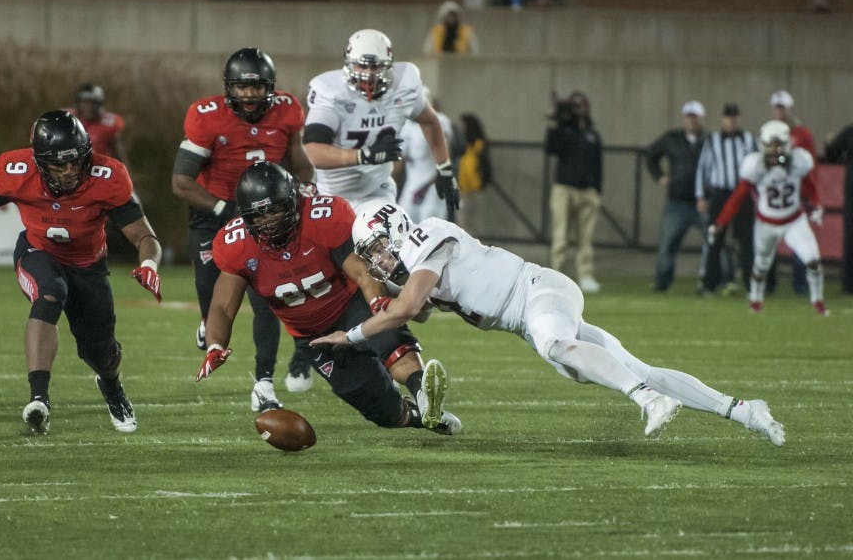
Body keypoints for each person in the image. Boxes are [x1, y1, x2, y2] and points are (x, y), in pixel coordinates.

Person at [310, 199, 785, 446]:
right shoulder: (416, 262)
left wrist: (350, 335)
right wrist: (390, 294)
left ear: (391, 230)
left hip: (538, 291)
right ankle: (743, 409)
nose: (375, 261)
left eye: (374, 249)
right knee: (628, 364)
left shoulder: (425, 235)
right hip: (530, 309)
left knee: (556, 347)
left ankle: (647, 399)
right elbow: (427, 306)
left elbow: (410, 309)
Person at [0, 110, 164, 433]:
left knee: (103, 355)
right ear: (40, 162)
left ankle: (112, 387)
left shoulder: (107, 176)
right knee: (50, 292)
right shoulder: (16, 170)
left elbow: (144, 235)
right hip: (38, 252)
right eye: (59, 164)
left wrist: (149, 262)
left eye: (75, 162)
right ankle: (39, 398)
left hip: (89, 267)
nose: (69, 171)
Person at [195, 162, 460, 435]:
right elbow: (223, 306)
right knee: (385, 412)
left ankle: (423, 393)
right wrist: (215, 344)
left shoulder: (322, 217)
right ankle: (419, 416)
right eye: (260, 215)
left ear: (292, 200)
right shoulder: (236, 244)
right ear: (246, 217)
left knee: (390, 342)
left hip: (350, 305)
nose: (270, 220)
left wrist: (377, 305)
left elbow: (361, 272)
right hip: (312, 337)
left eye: (275, 209)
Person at [172, 48, 317, 409]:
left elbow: (300, 164)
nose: (249, 96)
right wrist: (224, 207)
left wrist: (300, 191)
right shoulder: (207, 117)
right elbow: (181, 182)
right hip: (214, 212)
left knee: (264, 297)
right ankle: (209, 324)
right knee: (211, 292)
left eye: (256, 88)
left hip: (265, 214)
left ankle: (263, 382)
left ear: (270, 87)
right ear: (228, 88)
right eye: (241, 87)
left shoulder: (287, 110)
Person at [303, 29, 460, 217]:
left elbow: (430, 121)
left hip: (376, 191)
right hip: (331, 193)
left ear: (389, 65)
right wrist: (364, 155)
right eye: (362, 66)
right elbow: (314, 152)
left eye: (376, 66)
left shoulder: (403, 86)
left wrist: (444, 168)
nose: (369, 74)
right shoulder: (331, 92)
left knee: (385, 239)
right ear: (349, 63)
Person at [709, 120, 828, 316]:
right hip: (766, 223)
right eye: (770, 146)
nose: (774, 151)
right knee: (761, 266)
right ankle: (756, 301)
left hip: (793, 220)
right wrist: (720, 222)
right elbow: (736, 199)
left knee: (813, 261)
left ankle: (818, 302)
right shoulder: (754, 166)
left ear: (787, 144)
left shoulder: (799, 161)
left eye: (778, 145)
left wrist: (816, 207)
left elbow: (811, 188)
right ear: (762, 145)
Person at [695, 102, 757, 295]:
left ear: (738, 119)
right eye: (728, 117)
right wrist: (700, 195)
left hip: (743, 194)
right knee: (714, 239)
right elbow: (703, 168)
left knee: (746, 242)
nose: (731, 121)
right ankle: (709, 284)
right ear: (722, 119)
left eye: (734, 117)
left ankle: (751, 285)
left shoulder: (748, 139)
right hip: (720, 194)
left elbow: (757, 166)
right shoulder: (712, 140)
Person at [646, 100, 708, 292]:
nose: (691, 121)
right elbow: (651, 155)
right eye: (688, 117)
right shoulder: (672, 138)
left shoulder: (709, 140)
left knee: (715, 243)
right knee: (668, 244)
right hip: (677, 201)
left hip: (702, 202)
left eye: (695, 117)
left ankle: (715, 281)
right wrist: (660, 177)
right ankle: (662, 282)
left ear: (701, 119)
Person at [545, 91, 603, 293]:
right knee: (561, 235)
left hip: (587, 190)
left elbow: (598, 165)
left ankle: (586, 275)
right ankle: (558, 274)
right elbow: (551, 148)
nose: (578, 109)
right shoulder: (563, 130)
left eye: (581, 105)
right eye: (574, 105)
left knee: (585, 238)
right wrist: (554, 119)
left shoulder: (592, 134)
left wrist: (597, 190)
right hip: (564, 188)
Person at [766, 90, 815, 296]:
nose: (779, 111)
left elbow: (809, 164)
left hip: (796, 194)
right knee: (768, 240)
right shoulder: (769, 132)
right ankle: (768, 284)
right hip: (773, 194)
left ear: (789, 109)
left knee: (799, 240)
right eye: (776, 107)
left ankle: (800, 284)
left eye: (782, 107)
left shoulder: (802, 134)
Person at [397, 88, 460, 223]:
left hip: (432, 184)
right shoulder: (406, 126)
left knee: (431, 223)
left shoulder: (439, 121)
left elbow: (444, 154)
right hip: (412, 184)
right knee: (404, 222)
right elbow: (399, 161)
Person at [823, 123, 853, 294]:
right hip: (852, 197)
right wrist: (829, 143)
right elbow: (832, 155)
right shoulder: (849, 132)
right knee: (850, 240)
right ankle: (849, 284)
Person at [71, 83, 129, 165]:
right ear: (78, 104)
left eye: (93, 103)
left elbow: (119, 156)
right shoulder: (70, 120)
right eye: (85, 102)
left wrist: (125, 172)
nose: (89, 107)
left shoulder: (109, 124)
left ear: (100, 104)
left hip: (101, 169)